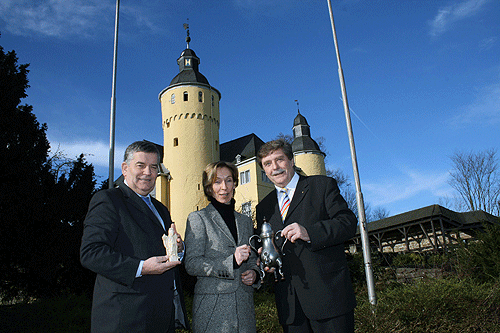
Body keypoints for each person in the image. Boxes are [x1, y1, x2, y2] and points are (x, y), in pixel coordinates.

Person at [80, 140, 188, 333]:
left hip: (161, 317)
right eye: (141, 165)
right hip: (125, 318)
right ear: (125, 168)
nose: (148, 172)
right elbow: (91, 253)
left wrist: (178, 249)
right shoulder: (109, 200)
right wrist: (141, 268)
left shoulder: (161, 209)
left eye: (153, 167)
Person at [255, 139, 358, 333]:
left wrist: (310, 232)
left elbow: (348, 222)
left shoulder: (321, 186)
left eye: (280, 160)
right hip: (290, 308)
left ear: (291, 161)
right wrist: (265, 258)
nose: (275, 167)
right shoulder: (263, 207)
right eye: (267, 164)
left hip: (329, 300)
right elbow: (264, 245)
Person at [184, 161, 260, 333]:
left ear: (234, 183)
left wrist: (254, 274)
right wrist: (231, 262)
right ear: (209, 187)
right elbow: (192, 263)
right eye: (217, 181)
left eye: (228, 180)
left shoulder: (246, 222)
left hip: (244, 309)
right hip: (212, 311)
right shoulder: (198, 218)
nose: (224, 187)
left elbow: (253, 259)